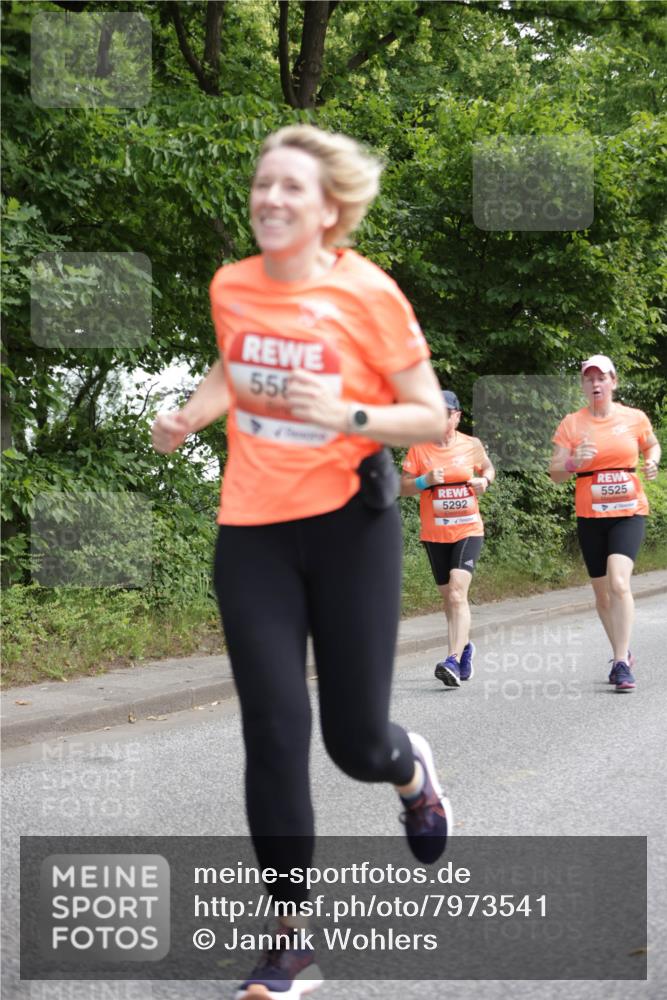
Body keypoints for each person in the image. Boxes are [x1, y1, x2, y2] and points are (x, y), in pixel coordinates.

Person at [152, 125, 453, 999]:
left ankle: (410, 772)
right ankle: (290, 941)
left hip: (350, 527)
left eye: (291, 188)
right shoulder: (232, 285)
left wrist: (347, 417)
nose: (270, 200)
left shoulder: (369, 293)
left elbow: (429, 416)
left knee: (353, 742)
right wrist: (188, 414)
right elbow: (233, 367)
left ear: (331, 209)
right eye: (262, 184)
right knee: (273, 731)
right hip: (252, 530)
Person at [549, 355, 660, 692]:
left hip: (628, 512)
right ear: (583, 385)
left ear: (614, 382)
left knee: (619, 583)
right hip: (591, 516)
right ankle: (622, 652)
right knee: (602, 596)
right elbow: (555, 474)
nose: (595, 384)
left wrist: (652, 461)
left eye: (602, 378)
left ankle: (620, 662)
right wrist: (572, 461)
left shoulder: (634, 418)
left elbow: (651, 445)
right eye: (589, 379)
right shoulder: (571, 424)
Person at [401, 390, 495, 687]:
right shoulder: (419, 448)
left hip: (468, 529)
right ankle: (465, 647)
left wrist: (485, 480)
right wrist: (423, 481)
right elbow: (401, 488)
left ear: (456, 416)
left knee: (457, 592)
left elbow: (488, 467)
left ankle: (452, 659)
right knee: (448, 597)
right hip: (435, 533)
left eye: (447, 413)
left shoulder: (471, 445)